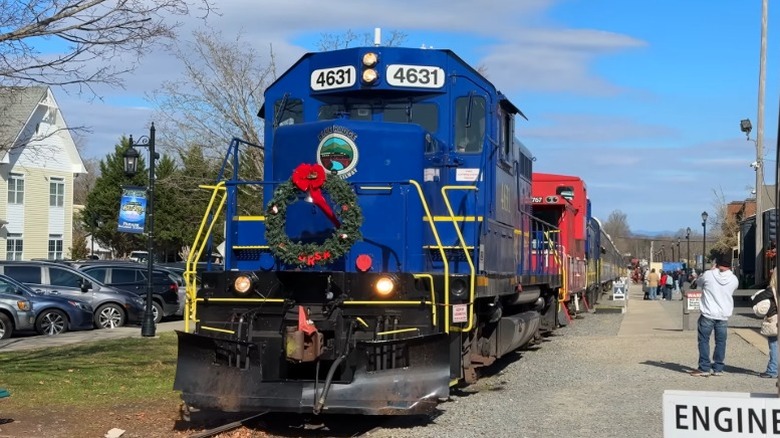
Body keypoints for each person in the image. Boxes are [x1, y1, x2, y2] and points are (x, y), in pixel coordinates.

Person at [690, 252, 739, 377]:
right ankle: (718, 368)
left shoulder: (709, 275)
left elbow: (699, 282)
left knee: (704, 341)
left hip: (708, 313)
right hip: (723, 315)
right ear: (730, 265)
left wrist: (712, 270)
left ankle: (704, 367)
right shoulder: (734, 280)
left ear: (716, 263)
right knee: (721, 342)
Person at [751, 269, 778, 378]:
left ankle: (772, 370)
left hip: (775, 320)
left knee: (774, 346)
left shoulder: (772, 289)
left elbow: (756, 299)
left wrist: (770, 306)